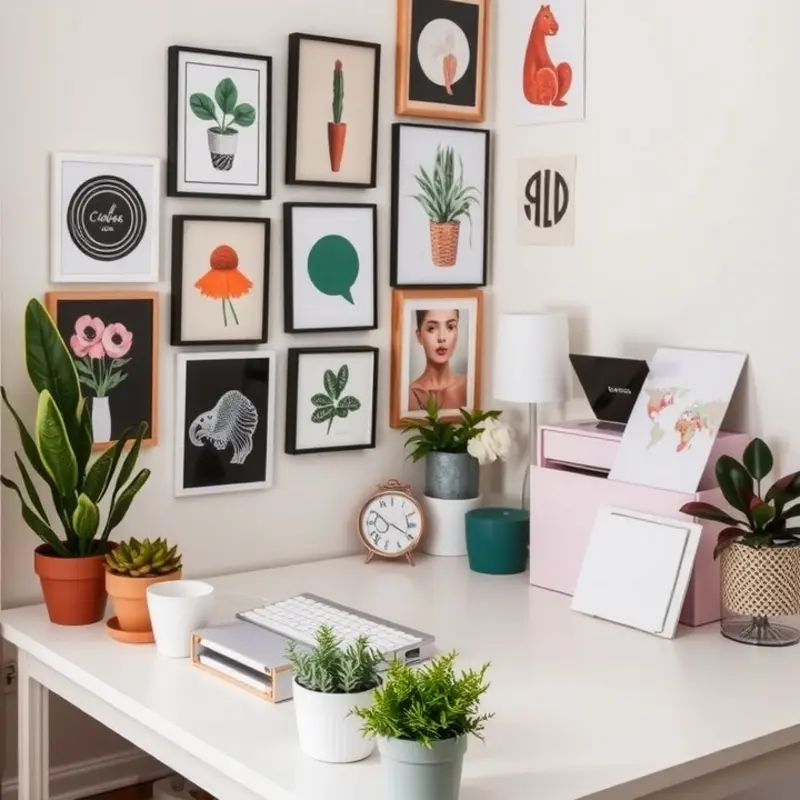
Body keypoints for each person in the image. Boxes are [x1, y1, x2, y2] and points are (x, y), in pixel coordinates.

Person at [408, 308, 467, 411]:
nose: (441, 338)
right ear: (419, 336)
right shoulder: (408, 394)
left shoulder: (469, 387)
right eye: (431, 328)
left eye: (450, 327)